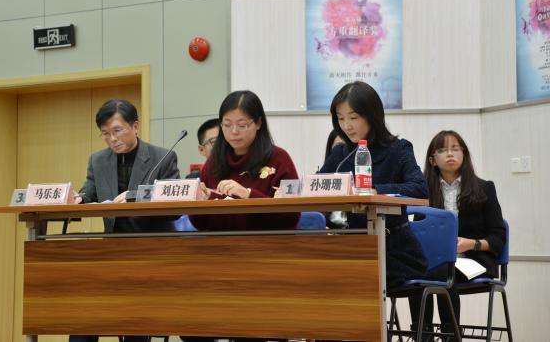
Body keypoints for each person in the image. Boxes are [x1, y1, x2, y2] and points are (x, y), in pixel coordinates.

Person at [72, 98, 180, 342]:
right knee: (82, 312)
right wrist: (79, 198)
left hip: (153, 256)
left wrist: (136, 197)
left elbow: (174, 204)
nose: (112, 139)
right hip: (113, 254)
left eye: (117, 130)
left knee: (134, 320)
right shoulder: (98, 160)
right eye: (105, 133)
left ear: (135, 126)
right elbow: (89, 191)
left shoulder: (163, 157)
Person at [319, 81, 428, 288]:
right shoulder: (341, 154)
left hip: (395, 250)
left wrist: (376, 191)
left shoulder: (399, 149)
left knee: (350, 275)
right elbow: (319, 185)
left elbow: (419, 188)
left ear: (372, 115)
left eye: (353, 118)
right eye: (340, 118)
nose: (346, 126)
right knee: (319, 269)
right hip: (353, 246)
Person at [408, 130, 506, 335]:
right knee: (416, 269)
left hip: (474, 261)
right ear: (432, 160)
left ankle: (450, 334)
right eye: (442, 150)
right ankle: (422, 333)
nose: (450, 154)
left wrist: (471, 244)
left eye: (455, 149)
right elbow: (418, 233)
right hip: (436, 263)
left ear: (464, 154)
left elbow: (498, 237)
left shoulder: (485, 188)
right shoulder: (424, 192)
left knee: (444, 270)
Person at [190, 91, 300, 231]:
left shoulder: (280, 159)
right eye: (227, 125)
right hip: (221, 242)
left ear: (258, 123)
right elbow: (200, 224)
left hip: (267, 242)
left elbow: (292, 217)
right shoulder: (213, 162)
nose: (234, 131)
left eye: (242, 125)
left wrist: (248, 195)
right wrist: (200, 202)